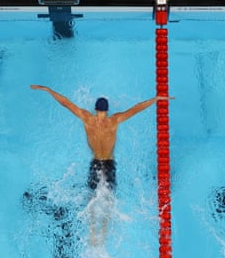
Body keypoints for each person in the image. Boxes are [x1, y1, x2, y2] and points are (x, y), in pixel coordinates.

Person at [30, 84, 172, 246]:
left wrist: (47, 90)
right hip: (109, 164)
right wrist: (156, 99)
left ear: (96, 109)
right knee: (109, 199)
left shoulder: (87, 118)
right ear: (107, 110)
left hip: (95, 163)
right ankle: (104, 233)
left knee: (92, 197)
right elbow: (135, 109)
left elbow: (66, 103)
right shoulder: (114, 121)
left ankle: (92, 233)